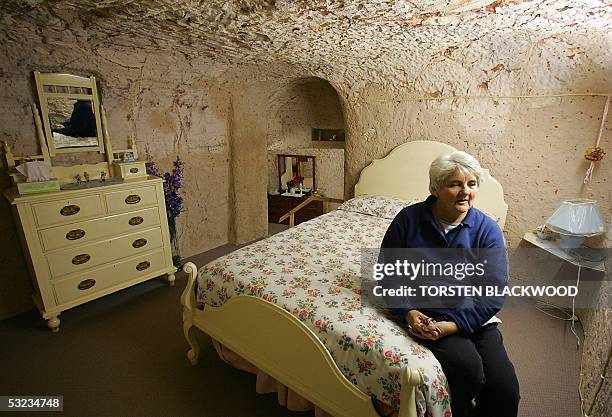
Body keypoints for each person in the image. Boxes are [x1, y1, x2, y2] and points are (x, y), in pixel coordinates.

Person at [379, 151, 520, 417]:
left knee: (505, 391)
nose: (465, 191)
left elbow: (494, 292)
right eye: (455, 184)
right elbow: (389, 275)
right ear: (435, 188)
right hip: (431, 314)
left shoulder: (487, 230)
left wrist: (455, 325)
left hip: (476, 315)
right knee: (468, 371)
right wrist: (407, 311)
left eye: (472, 184)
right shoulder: (408, 220)